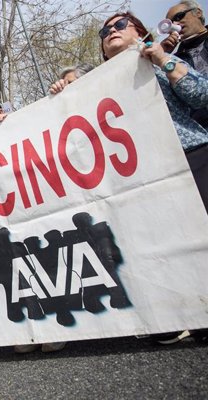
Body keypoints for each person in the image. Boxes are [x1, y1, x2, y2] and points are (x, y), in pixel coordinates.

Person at [53, 11, 208, 344]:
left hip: (191, 156)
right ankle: (183, 315)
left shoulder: (161, 62)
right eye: (104, 31)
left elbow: (202, 97)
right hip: (142, 176)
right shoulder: (93, 89)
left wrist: (163, 60)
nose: (111, 31)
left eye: (120, 25)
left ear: (139, 32)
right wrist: (60, 98)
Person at [162, 1, 208, 129]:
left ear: (197, 13)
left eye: (178, 17)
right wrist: (162, 54)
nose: (175, 25)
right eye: (170, 24)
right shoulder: (174, 60)